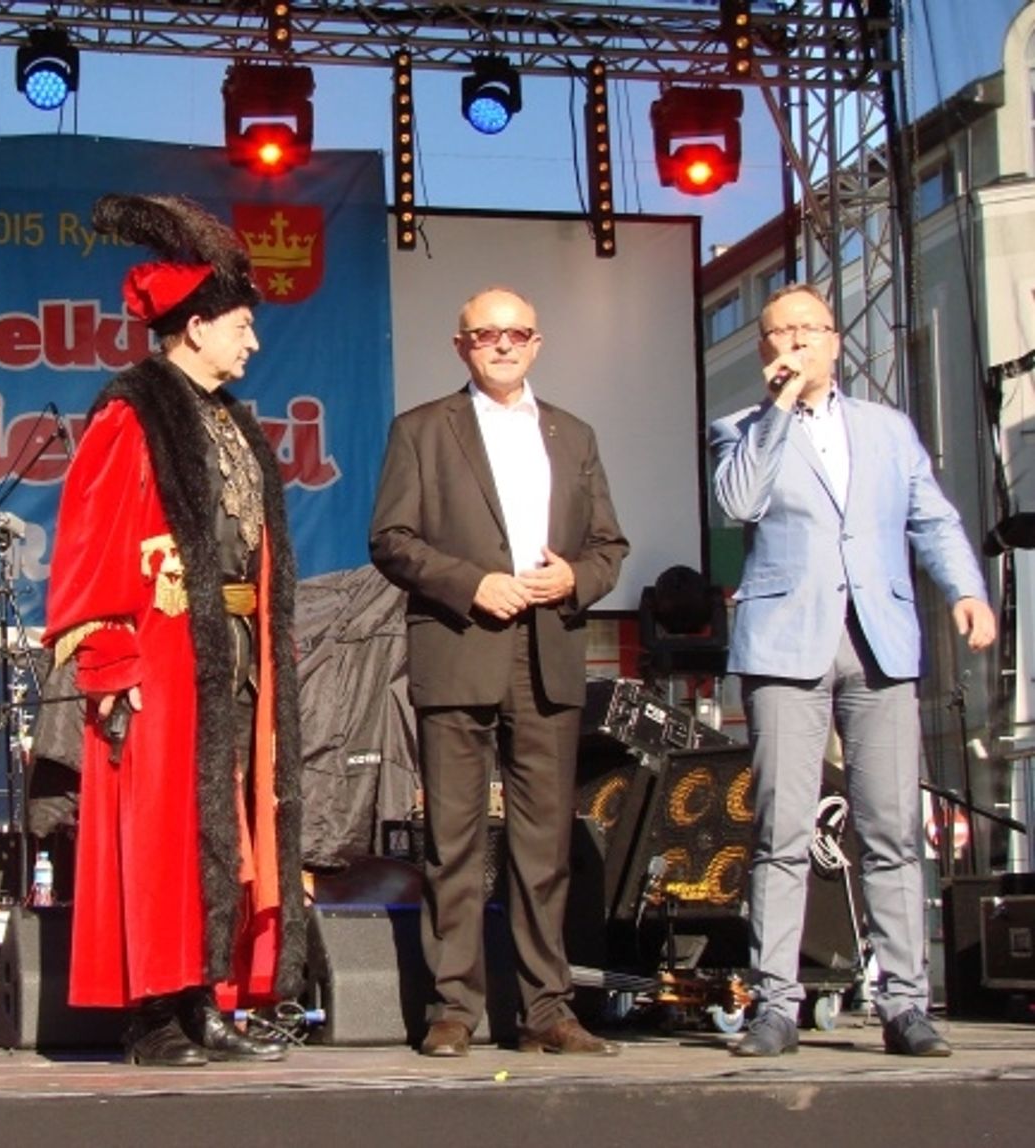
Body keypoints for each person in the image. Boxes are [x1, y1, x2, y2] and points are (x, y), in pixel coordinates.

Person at [42, 194, 305, 1067]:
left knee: (226, 828)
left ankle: (207, 998)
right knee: (162, 836)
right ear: (195, 327)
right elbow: (89, 544)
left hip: (232, 652)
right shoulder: (132, 414)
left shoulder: (233, 420)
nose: (253, 342)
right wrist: (110, 662)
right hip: (159, 656)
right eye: (241, 325)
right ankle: (153, 1014)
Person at [710, 282, 997, 1058]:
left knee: (892, 828)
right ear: (765, 347)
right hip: (785, 644)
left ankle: (906, 1004)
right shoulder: (741, 427)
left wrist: (966, 590)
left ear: (836, 342)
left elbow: (932, 518)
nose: (799, 340)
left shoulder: (887, 429)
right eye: (783, 330)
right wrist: (777, 408)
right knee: (782, 829)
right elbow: (738, 502)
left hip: (879, 642)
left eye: (812, 328)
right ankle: (775, 1005)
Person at [369, 287, 628, 1057]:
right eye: (486, 335)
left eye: (517, 334)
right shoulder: (422, 429)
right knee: (452, 839)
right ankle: (453, 1009)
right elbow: (391, 538)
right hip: (460, 641)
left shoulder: (573, 434)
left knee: (544, 845)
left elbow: (609, 546)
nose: (504, 345)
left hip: (547, 649)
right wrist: (471, 583)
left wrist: (574, 578)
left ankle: (547, 1009)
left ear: (538, 343)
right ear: (462, 347)